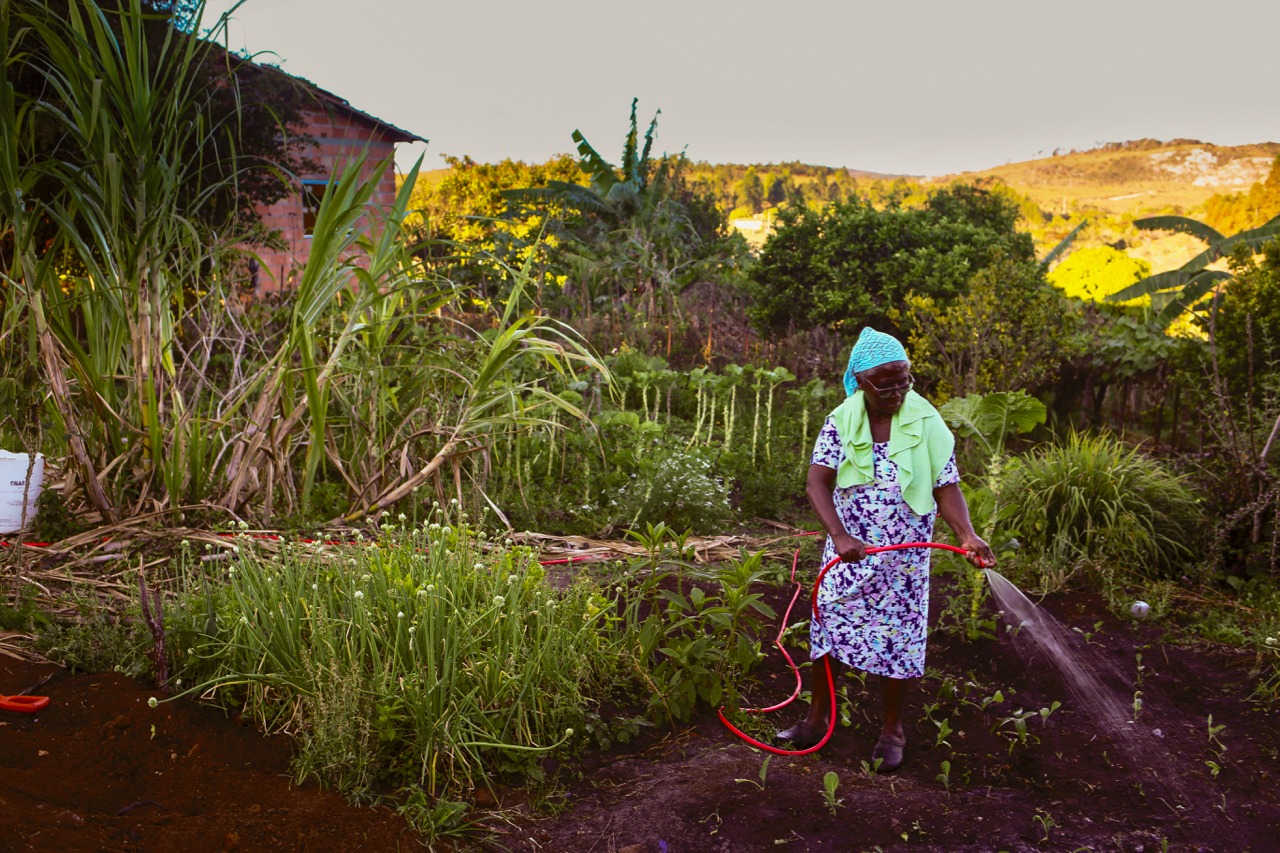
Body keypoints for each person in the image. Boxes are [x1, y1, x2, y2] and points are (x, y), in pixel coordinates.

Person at [777, 327, 994, 769]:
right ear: (860, 381)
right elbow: (817, 483)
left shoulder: (926, 421)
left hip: (903, 558)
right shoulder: (841, 420)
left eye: (904, 379)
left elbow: (945, 484)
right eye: (886, 381)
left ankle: (892, 731)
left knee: (899, 638)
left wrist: (966, 533)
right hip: (849, 549)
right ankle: (818, 719)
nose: (898, 389)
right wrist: (840, 535)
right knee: (829, 627)